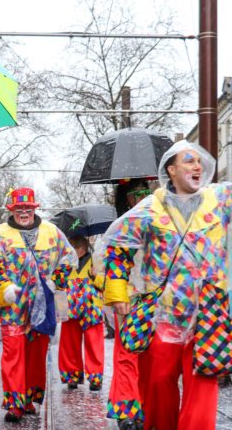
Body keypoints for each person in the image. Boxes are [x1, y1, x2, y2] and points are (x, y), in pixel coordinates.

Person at [98, 112, 232, 429]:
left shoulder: (219, 198)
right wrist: (116, 290)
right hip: (163, 315)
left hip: (207, 314)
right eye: (188, 161)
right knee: (158, 385)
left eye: (198, 161)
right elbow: (118, 246)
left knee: (203, 384)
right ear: (171, 169)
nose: (197, 167)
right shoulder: (151, 205)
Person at [0, 187, 76, 423]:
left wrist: (55, 281)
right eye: (19, 208)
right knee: (13, 354)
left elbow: (70, 257)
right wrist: (3, 287)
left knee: (36, 356)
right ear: (12, 210)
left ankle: (29, 398)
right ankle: (14, 404)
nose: (24, 212)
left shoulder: (51, 231)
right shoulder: (0, 233)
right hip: (12, 306)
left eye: (28, 208)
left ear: (35, 208)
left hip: (42, 306)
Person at [105, 178, 153, 430]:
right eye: (136, 193)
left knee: (150, 359)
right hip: (130, 299)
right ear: (126, 198)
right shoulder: (120, 227)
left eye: (146, 190)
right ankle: (126, 411)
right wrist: (118, 297)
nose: (143, 196)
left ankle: (145, 407)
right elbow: (110, 265)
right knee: (126, 355)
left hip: (156, 300)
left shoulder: (163, 220)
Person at [58, 235, 104, 391]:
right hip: (70, 309)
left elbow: (106, 284)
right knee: (69, 344)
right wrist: (60, 308)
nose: (72, 251)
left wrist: (95, 276)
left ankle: (95, 378)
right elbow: (58, 284)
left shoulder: (96, 261)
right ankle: (72, 376)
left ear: (83, 248)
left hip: (92, 308)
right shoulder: (65, 263)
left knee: (94, 344)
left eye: (75, 248)